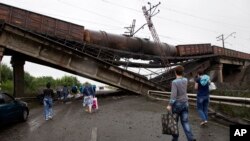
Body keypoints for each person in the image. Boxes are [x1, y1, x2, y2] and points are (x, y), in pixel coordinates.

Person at [167, 66, 196, 141]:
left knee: (174, 123)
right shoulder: (185, 80)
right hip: (185, 104)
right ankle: (191, 138)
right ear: (182, 72)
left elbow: (173, 95)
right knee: (185, 122)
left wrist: (170, 105)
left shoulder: (174, 82)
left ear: (175, 72)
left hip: (177, 105)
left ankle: (175, 139)